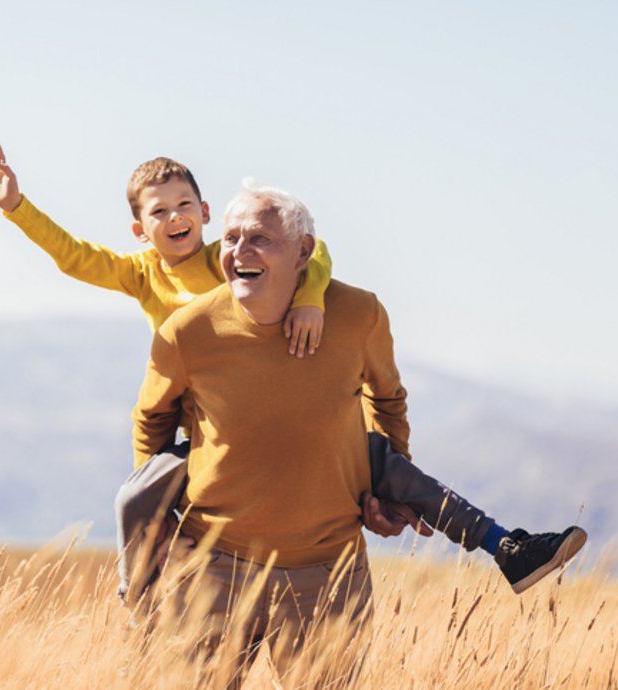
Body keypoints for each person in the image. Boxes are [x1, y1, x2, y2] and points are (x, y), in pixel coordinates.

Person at [0, 149, 586, 603]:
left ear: (204, 212)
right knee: (137, 497)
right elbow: (75, 258)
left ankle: (507, 545)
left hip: (305, 434)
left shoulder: (231, 254)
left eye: (185, 205)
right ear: (141, 229)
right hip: (205, 438)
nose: (176, 218)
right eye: (160, 212)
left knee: (392, 467)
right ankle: (142, 589)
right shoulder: (142, 275)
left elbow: (313, 253)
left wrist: (313, 297)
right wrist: (18, 207)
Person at [129, 181, 588, 658]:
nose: (239, 250)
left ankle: (506, 548)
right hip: (213, 568)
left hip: (328, 574)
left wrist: (383, 496)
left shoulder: (357, 315)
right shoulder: (186, 331)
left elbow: (387, 401)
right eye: (230, 238)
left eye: (259, 238)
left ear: (303, 252)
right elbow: (152, 420)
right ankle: (506, 545)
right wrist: (160, 517)